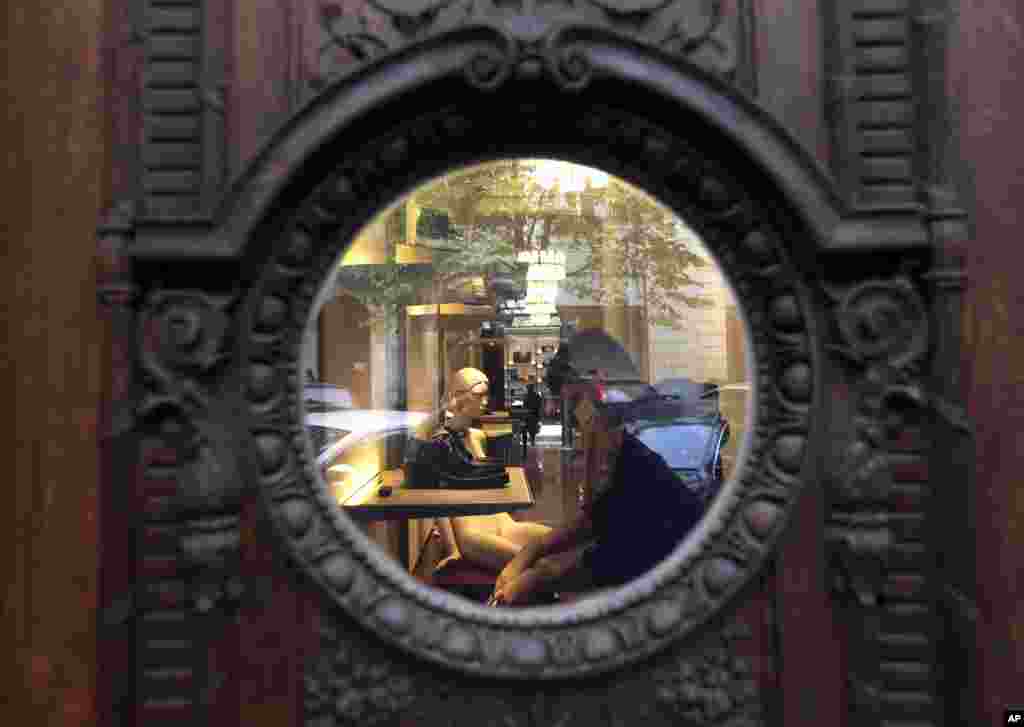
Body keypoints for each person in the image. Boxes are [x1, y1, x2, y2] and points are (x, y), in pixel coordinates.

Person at [490, 383, 707, 606]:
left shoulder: (635, 474)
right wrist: (531, 552)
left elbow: (598, 557)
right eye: (584, 450)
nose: (588, 467)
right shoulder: (628, 462)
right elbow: (589, 521)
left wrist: (532, 577)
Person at [435, 368, 552, 574]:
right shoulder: (442, 441)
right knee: (537, 567)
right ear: (459, 397)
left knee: (558, 543)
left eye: (485, 395)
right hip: (471, 533)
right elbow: (439, 501)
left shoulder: (478, 436)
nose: (485, 401)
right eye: (479, 396)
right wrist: (452, 550)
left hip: (500, 521)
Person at [523, 382, 543, 447]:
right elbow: (539, 405)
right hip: (534, 414)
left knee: (528, 428)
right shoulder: (537, 395)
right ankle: (532, 440)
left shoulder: (526, 396)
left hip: (528, 414)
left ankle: (529, 440)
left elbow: (524, 405)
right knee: (533, 428)